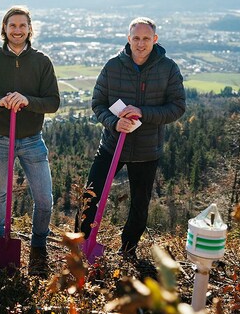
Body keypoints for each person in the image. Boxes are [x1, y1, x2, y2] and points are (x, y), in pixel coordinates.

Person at [75, 16, 186, 260]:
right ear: (128, 39)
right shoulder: (113, 66)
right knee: (90, 197)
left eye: (146, 38)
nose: (141, 43)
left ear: (155, 40)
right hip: (112, 145)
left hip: (147, 150)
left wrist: (143, 113)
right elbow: (98, 103)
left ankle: (127, 252)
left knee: (139, 205)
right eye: (136, 38)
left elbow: (177, 107)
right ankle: (81, 248)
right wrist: (115, 122)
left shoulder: (168, 69)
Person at [0, 6, 60, 275]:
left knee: (45, 199)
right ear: (4, 29)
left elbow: (53, 102)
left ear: (30, 29)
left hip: (33, 139)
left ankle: (38, 247)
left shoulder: (42, 61)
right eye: (13, 26)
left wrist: (27, 101)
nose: (17, 30)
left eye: (22, 25)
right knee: (1, 195)